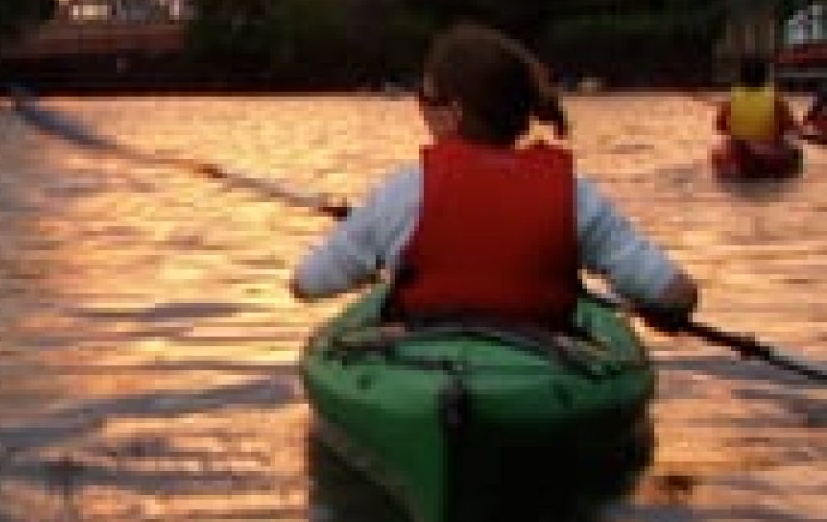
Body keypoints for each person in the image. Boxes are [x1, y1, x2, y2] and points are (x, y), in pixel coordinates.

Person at [289, 21, 698, 329]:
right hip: (541, 372)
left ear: (454, 112)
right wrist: (659, 313)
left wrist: (378, 257)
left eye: (426, 99)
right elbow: (676, 293)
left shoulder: (403, 193)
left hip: (426, 364)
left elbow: (306, 284)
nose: (421, 110)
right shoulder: (573, 196)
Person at [714, 54, 798, 150]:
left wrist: (737, 133)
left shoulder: (733, 96)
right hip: (768, 148)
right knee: (794, 153)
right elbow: (789, 124)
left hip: (740, 148)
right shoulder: (774, 96)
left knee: (718, 152)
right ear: (765, 76)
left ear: (742, 76)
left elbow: (720, 124)